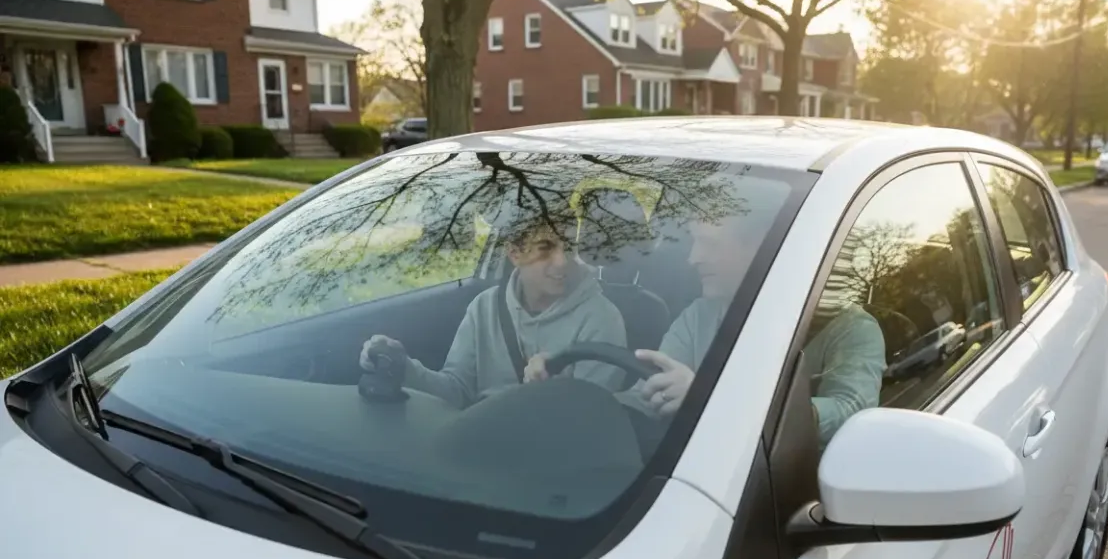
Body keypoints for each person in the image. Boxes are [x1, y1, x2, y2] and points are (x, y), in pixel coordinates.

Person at [526, 215, 886, 447]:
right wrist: (565, 400)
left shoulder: (851, 330)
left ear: (761, 249)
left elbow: (848, 412)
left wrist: (711, 397)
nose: (692, 257)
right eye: (694, 241)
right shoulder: (698, 316)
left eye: (710, 244)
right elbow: (643, 400)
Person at [361, 222, 627, 409]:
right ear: (514, 254)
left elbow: (592, 421)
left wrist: (550, 391)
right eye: (546, 249)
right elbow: (457, 392)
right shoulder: (485, 307)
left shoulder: (601, 319)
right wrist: (405, 369)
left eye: (568, 246)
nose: (561, 261)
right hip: (477, 442)